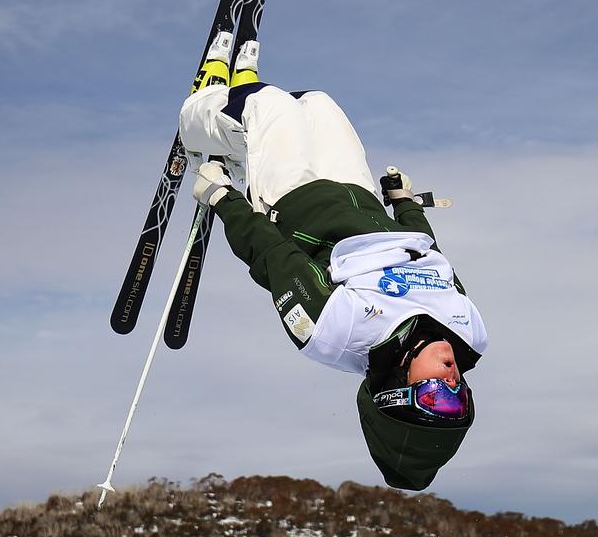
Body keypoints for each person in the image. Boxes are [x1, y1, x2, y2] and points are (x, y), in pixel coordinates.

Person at [179, 34, 488, 491]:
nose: (452, 382)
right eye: (459, 399)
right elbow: (430, 256)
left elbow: (272, 257)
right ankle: (243, 94)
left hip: (293, 200)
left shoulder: (340, 334)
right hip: (357, 195)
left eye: (435, 397)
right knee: (318, 104)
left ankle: (202, 108)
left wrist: (222, 198)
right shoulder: (469, 332)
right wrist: (404, 204)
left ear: (395, 392)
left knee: (269, 107)